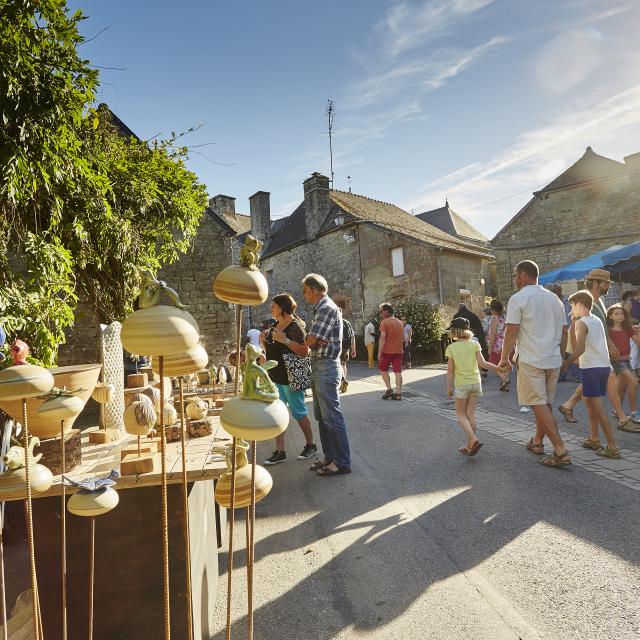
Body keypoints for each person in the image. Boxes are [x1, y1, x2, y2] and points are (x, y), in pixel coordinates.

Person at [499, 260, 571, 468]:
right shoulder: (555, 299)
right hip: (553, 358)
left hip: (531, 358)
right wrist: (562, 356)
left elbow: (511, 331)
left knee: (537, 403)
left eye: (514, 275)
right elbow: (564, 331)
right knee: (544, 403)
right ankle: (538, 442)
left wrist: (504, 359)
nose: (514, 279)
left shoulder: (518, 298)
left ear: (522, 274)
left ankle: (560, 449)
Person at [558, 269, 629, 429]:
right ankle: (621, 418)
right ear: (596, 283)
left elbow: (602, 327)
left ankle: (568, 406)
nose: (609, 286)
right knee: (609, 379)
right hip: (591, 352)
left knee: (596, 381)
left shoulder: (598, 300)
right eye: (606, 283)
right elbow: (573, 328)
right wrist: (574, 356)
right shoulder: (584, 300)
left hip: (598, 352)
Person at [302, 274, 351, 476]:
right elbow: (312, 340)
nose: (304, 295)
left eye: (305, 290)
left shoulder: (326, 308)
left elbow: (311, 341)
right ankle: (330, 457)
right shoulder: (321, 309)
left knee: (331, 417)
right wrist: (313, 339)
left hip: (326, 366)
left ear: (313, 290)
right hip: (320, 366)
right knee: (322, 418)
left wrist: (313, 339)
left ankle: (341, 462)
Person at [562, 290, 621, 458]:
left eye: (573, 306)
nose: (571, 309)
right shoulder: (596, 320)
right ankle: (594, 438)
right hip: (603, 367)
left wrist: (565, 363)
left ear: (580, 304)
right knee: (589, 402)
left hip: (591, 369)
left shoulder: (582, 323)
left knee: (598, 408)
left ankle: (612, 446)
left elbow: (579, 348)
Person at [260, 294, 318, 465]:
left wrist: (284, 339)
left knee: (299, 413)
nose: (271, 308)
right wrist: (264, 341)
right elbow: (272, 350)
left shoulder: (295, 325)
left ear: (283, 307)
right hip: (277, 377)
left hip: (291, 378)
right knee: (278, 414)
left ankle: (311, 445)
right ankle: (280, 451)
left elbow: (304, 351)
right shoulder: (275, 325)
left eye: (274, 306)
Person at [446, 317, 503, 456]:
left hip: (462, 384)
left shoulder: (451, 348)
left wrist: (449, 388)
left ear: (454, 331)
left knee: (460, 414)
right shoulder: (474, 344)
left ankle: (473, 439)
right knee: (470, 413)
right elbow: (483, 364)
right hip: (476, 383)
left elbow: (451, 371)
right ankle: (470, 444)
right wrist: (499, 369)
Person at [606, 304, 640, 424]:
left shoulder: (627, 329)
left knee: (622, 387)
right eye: (616, 314)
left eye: (621, 314)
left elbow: (638, 342)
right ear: (610, 316)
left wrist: (638, 331)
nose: (620, 316)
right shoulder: (608, 331)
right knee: (634, 382)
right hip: (616, 361)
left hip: (627, 360)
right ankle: (635, 412)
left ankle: (616, 410)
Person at [378, 303, 405, 400]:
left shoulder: (384, 322)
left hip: (387, 351)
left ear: (386, 311)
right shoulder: (399, 322)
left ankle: (389, 389)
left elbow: (382, 337)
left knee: (383, 369)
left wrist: (379, 352)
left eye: (381, 311)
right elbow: (403, 338)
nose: (380, 313)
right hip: (399, 351)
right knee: (398, 372)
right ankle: (398, 394)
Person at [454, 303, 489, 377]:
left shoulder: (457, 316)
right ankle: (483, 371)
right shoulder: (473, 315)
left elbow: (455, 329)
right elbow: (480, 328)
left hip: (464, 338)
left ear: (459, 308)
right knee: (479, 353)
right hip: (477, 337)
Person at [486, 299, 510, 391]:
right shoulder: (503, 318)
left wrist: (490, 347)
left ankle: (504, 379)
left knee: (492, 364)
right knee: (502, 364)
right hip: (504, 343)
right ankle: (504, 385)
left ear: (493, 309)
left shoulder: (493, 318)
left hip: (496, 345)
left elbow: (493, 334)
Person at [339, 316, 356, 393]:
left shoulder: (335, 321)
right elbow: (352, 336)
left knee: (338, 364)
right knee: (343, 364)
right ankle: (344, 380)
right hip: (346, 347)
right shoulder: (347, 322)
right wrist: (353, 348)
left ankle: (343, 379)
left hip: (338, 345)